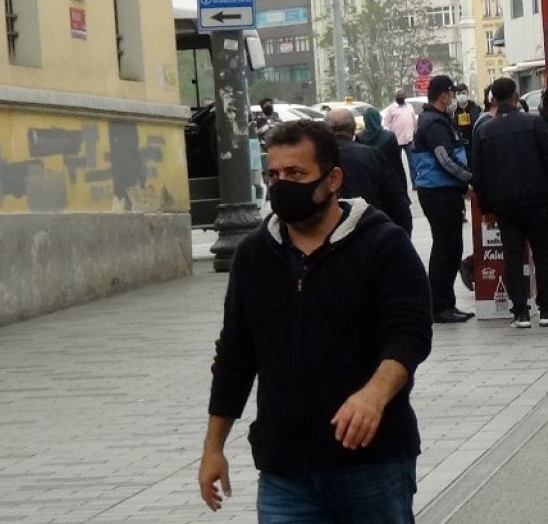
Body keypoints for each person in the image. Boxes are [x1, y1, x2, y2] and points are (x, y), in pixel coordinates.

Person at [199, 120, 432, 522]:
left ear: (333, 179)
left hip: (371, 464)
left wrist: (373, 395)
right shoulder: (255, 255)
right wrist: (213, 447)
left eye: (296, 174)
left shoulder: (383, 243)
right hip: (284, 472)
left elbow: (410, 333)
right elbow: (235, 355)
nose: (282, 184)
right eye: (274, 175)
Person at [472, 78, 548, 328]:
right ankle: (547, 310)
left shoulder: (483, 131)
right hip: (537, 201)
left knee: (512, 256)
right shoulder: (534, 123)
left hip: (504, 205)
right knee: (544, 255)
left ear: (493, 99)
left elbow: (478, 174)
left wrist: (486, 207)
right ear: (516, 96)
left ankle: (520, 313)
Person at [413, 76, 474, 324]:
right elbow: (445, 159)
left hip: (444, 190)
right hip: (439, 192)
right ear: (444, 96)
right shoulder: (434, 123)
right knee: (445, 249)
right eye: (451, 93)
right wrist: (469, 180)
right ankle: (440, 306)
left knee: (450, 247)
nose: (454, 97)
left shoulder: (436, 120)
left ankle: (445, 303)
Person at [325, 108, 412, 235]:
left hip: (328, 236)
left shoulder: (315, 159)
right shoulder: (372, 155)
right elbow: (395, 200)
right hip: (370, 230)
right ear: (353, 128)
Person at [357, 106, 407, 192]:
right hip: (388, 180)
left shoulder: (360, 137)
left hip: (369, 181)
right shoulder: (389, 137)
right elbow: (397, 164)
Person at [382, 89, 420, 186]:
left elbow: (413, 121)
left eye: (402, 97)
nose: (401, 98)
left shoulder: (409, 107)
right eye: (399, 97)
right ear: (396, 98)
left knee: (413, 163)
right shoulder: (392, 109)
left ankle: (415, 184)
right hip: (396, 141)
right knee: (396, 164)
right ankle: (398, 184)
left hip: (409, 139)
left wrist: (415, 131)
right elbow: (386, 124)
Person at [451, 83, 482, 149]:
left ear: (468, 94)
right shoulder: (453, 110)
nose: (461, 95)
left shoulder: (475, 108)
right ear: (455, 96)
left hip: (474, 142)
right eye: (458, 94)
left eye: (463, 93)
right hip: (459, 144)